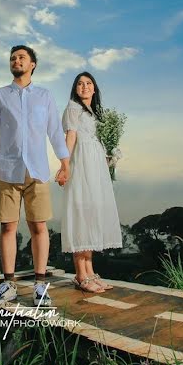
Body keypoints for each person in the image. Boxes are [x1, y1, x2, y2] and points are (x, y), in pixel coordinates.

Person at [0, 45, 70, 305]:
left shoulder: (44, 96)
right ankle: (8, 283)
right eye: (12, 58)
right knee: (8, 226)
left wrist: (65, 164)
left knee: (38, 226)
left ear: (33, 64)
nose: (16, 60)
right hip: (7, 170)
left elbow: (54, 131)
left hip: (38, 171)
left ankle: (41, 285)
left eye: (21, 57)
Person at [57, 71, 123, 293]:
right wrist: (64, 166)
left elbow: (97, 140)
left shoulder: (96, 113)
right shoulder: (73, 108)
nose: (84, 86)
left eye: (88, 83)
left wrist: (109, 156)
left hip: (95, 166)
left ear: (94, 89)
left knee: (93, 214)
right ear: (75, 89)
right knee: (82, 214)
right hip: (81, 164)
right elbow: (71, 138)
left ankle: (90, 271)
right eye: (80, 84)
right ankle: (80, 274)